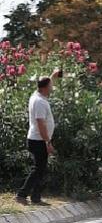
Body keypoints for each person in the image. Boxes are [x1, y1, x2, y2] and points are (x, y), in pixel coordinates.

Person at [16, 70, 61, 206]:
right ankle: (21, 195)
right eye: (50, 86)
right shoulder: (39, 102)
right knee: (38, 169)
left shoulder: (37, 95)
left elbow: (48, 82)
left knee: (40, 169)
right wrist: (48, 142)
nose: (52, 88)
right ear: (44, 88)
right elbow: (41, 124)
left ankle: (36, 197)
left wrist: (53, 74)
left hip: (38, 139)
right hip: (38, 140)